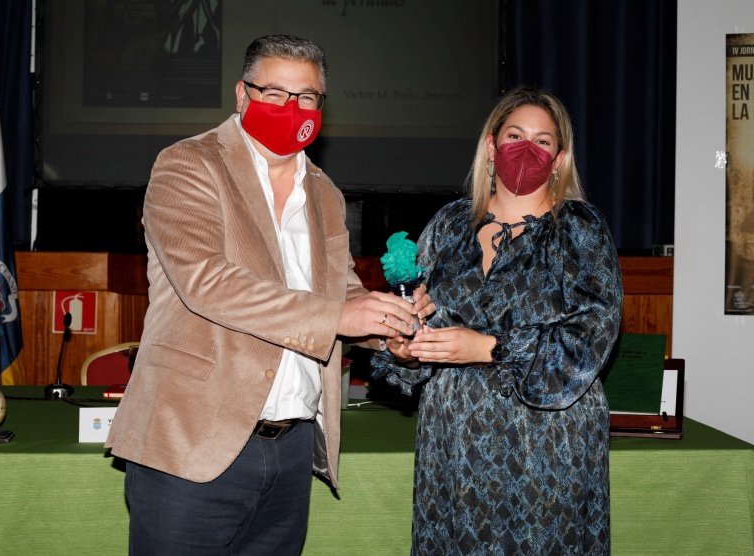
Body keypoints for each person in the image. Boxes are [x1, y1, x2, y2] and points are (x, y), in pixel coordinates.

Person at [106, 34, 434, 555]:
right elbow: (207, 283)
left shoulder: (325, 192)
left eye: (306, 97)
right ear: (242, 94)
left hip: (291, 451)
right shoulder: (188, 164)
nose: (291, 107)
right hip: (192, 441)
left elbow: (341, 292)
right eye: (275, 93)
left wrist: (390, 328)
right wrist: (340, 316)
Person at [371, 85, 623, 555]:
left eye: (543, 141)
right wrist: (406, 349)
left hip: (547, 446)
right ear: (491, 146)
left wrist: (487, 348)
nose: (527, 149)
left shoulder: (580, 229)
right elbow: (417, 323)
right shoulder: (448, 225)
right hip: (453, 444)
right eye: (515, 136)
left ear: (559, 159)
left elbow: (590, 339)